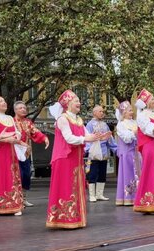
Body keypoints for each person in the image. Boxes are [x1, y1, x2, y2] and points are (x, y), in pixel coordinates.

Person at [46, 90, 108, 229]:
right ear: (67, 104)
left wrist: (99, 137)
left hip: (75, 159)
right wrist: (87, 138)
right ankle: (63, 218)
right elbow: (69, 138)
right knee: (66, 187)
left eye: (79, 100)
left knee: (75, 187)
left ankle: (74, 217)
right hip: (64, 159)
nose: (79, 103)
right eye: (75, 101)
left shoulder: (78, 120)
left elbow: (88, 135)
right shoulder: (62, 119)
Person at [0, 94, 26, 215]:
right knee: (1, 176)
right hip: (0, 153)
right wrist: (5, 139)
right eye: (1, 101)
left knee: (13, 176)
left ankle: (14, 204)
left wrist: (17, 136)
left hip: (11, 152)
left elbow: (17, 132)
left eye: (4, 100)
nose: (4, 103)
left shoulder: (9, 118)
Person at [13, 101, 49, 207]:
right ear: (15, 110)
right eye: (20, 108)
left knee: (26, 176)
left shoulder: (28, 122)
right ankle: (16, 200)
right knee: (16, 176)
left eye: (24, 108)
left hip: (26, 154)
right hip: (14, 154)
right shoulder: (11, 122)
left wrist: (45, 138)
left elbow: (36, 132)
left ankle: (23, 199)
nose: (23, 109)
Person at [85, 105, 117, 202]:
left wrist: (116, 149)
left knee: (102, 173)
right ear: (94, 113)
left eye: (103, 111)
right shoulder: (90, 125)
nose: (102, 113)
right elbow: (87, 138)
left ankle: (100, 194)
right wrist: (88, 150)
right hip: (94, 153)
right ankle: (92, 195)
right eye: (100, 111)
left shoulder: (104, 125)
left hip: (103, 153)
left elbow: (110, 139)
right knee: (93, 174)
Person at [115, 101, 140, 206]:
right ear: (124, 113)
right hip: (127, 154)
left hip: (136, 153)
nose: (131, 112)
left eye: (131, 110)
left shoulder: (135, 122)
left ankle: (138, 196)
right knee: (128, 174)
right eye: (129, 110)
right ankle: (128, 197)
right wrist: (134, 132)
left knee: (138, 173)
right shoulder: (121, 124)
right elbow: (126, 139)